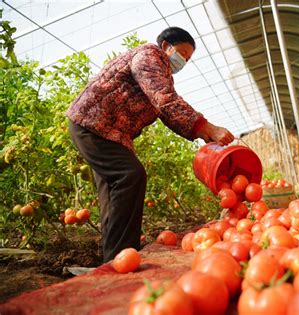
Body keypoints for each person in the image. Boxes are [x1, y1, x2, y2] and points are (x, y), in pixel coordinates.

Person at [66, 26, 234, 262]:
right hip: (93, 124)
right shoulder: (149, 56)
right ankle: (122, 254)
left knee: (113, 191)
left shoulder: (161, 72)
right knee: (130, 175)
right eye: (183, 53)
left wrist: (200, 132)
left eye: (188, 58)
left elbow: (164, 111)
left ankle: (116, 258)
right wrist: (206, 127)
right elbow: (163, 99)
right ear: (166, 46)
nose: (184, 60)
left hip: (107, 131)